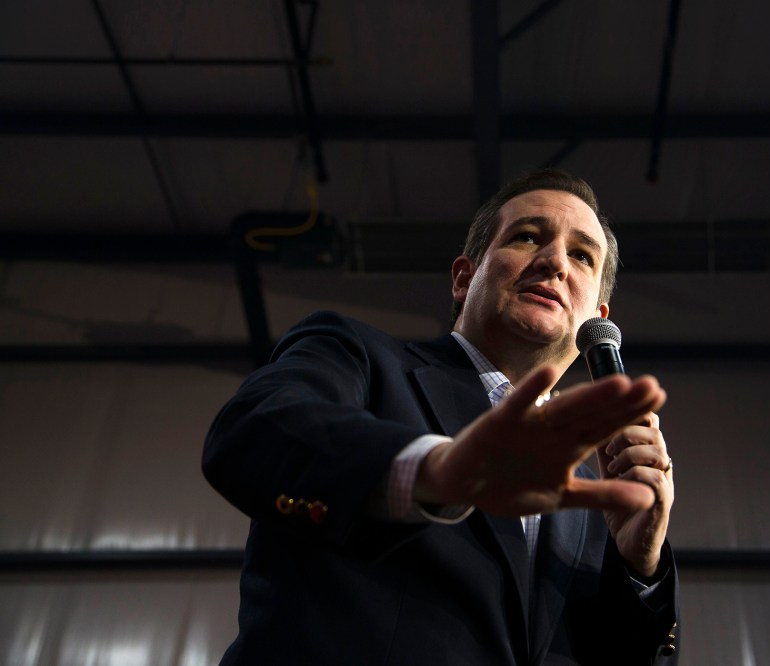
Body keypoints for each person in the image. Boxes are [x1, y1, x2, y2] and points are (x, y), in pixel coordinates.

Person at [203, 168, 679, 665]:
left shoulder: (598, 484)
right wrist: (434, 473)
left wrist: (639, 567)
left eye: (582, 255)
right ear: (463, 277)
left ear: (598, 320)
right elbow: (250, 433)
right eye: (527, 237)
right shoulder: (357, 356)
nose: (555, 260)